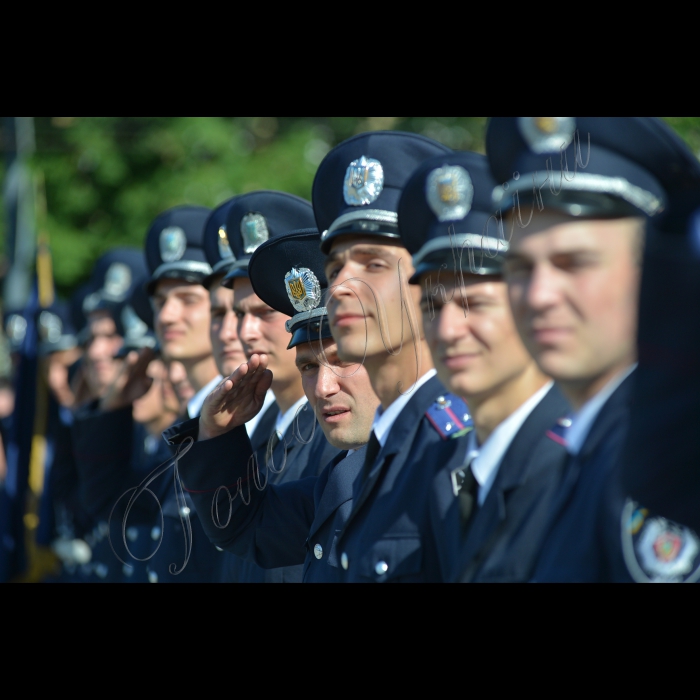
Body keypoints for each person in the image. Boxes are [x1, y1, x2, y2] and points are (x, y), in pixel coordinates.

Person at [488, 116, 700, 582]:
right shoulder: (592, 443)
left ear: (649, 273)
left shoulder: (663, 460)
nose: (540, 295)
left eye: (573, 262)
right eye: (521, 267)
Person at [398, 150, 570, 583]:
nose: (449, 330)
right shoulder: (452, 465)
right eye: (434, 306)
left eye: (474, 304)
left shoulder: (572, 461)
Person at [169, 229, 379, 582]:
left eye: (342, 359)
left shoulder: (429, 449)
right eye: (309, 367)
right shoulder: (345, 466)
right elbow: (247, 527)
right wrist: (216, 433)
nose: (324, 387)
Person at [314, 131, 471, 582]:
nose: (342, 285)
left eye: (374, 263)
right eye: (335, 268)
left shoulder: (453, 445)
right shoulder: (383, 443)